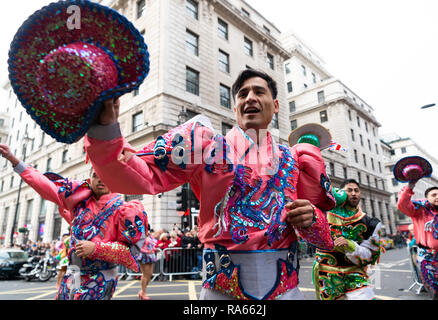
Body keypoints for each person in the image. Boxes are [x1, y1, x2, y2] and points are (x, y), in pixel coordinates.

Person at [84, 68, 336, 300]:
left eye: (259, 92)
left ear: (276, 105)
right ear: (235, 108)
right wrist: (105, 128)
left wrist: (312, 218)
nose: (250, 98)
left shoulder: (295, 159)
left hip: (286, 292)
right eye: (242, 94)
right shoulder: (205, 148)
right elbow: (137, 174)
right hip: (221, 292)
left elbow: (325, 239)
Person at [0, 143, 148, 300]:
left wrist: (95, 248)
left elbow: (131, 253)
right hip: (73, 274)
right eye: (96, 175)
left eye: (105, 176)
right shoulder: (78, 201)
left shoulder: (125, 210)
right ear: (90, 178)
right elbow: (45, 185)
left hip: (101, 279)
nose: (100, 180)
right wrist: (14, 159)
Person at [313, 179, 384, 300]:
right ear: (341, 193)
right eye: (349, 190)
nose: (353, 193)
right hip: (327, 272)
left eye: (356, 190)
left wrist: (350, 245)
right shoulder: (324, 214)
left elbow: (370, 256)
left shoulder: (370, 223)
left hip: (355, 273)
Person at [397, 182, 438, 300]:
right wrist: (410, 185)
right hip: (429, 262)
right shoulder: (420, 212)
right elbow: (402, 204)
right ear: (427, 199)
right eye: (434, 195)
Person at [136, 224, 157, 300]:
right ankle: (143, 293)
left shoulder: (150, 235)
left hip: (151, 256)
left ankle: (142, 291)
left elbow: (152, 245)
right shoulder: (140, 236)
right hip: (143, 256)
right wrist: (148, 251)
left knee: (150, 275)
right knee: (145, 275)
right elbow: (139, 248)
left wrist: (154, 249)